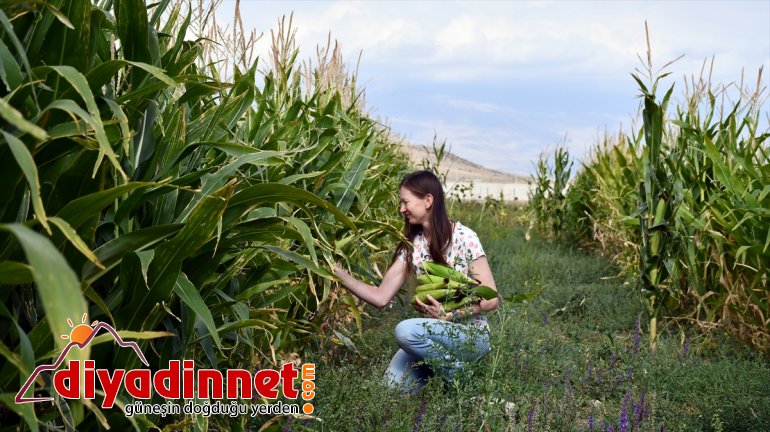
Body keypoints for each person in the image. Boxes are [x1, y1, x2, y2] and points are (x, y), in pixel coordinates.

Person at [333, 170, 499, 393]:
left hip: (470, 336)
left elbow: (491, 298)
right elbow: (380, 297)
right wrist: (336, 273)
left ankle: (462, 382)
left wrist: (452, 315)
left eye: (405, 202)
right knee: (392, 387)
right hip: (430, 336)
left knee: (405, 331)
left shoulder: (464, 237)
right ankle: (444, 373)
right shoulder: (413, 246)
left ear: (428, 200)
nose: (401, 209)